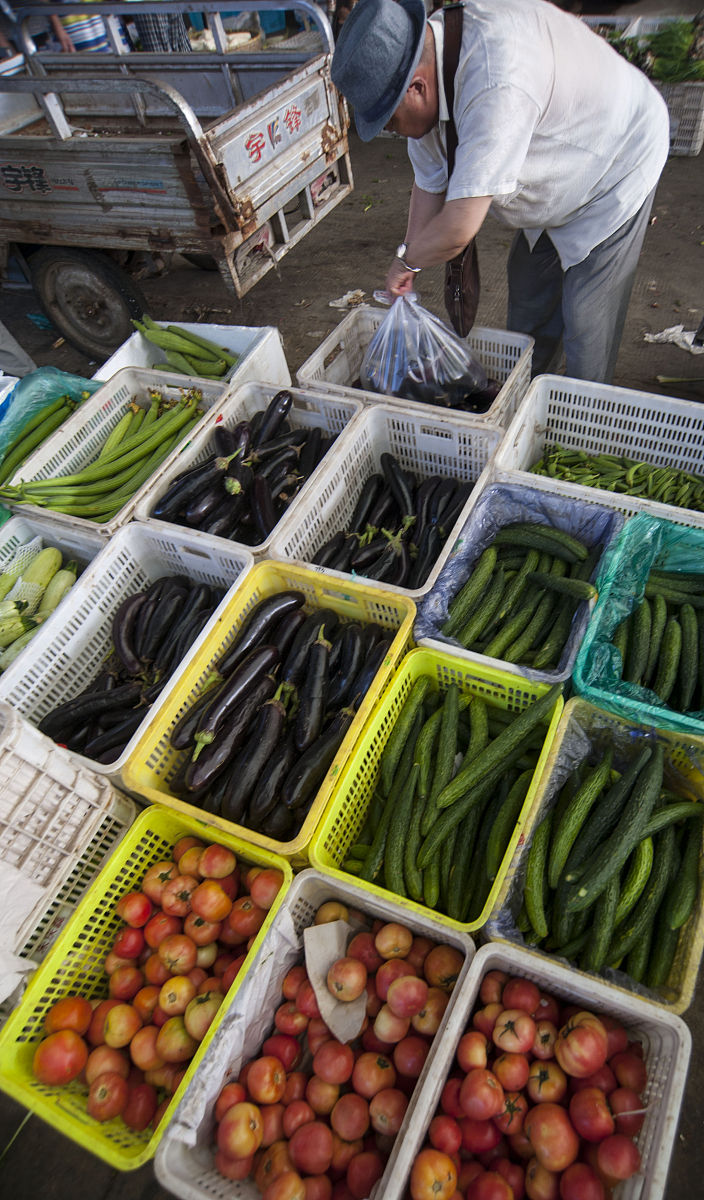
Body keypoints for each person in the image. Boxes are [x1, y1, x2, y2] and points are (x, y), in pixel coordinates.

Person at [331, 0, 670, 384]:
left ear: (417, 87)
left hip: (614, 165)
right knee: (529, 305)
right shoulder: (431, 60)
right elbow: (429, 184)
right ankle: (527, 402)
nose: (393, 132)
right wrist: (407, 254)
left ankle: (584, 417)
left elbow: (459, 228)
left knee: (588, 325)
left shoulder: (495, 75)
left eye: (390, 121)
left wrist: (407, 265)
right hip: (555, 168)